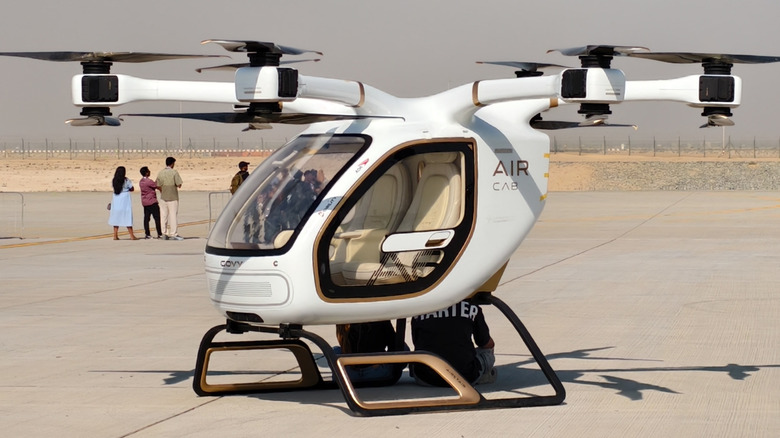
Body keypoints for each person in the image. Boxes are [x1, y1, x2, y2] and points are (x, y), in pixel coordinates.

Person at [410, 299, 496, 387]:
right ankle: (481, 376)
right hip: (465, 376)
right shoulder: (471, 306)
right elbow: (485, 343)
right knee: (487, 353)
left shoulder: (420, 309)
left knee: (409, 354)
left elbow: (416, 342)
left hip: (426, 378)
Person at [334, 321, 405, 387]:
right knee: (403, 346)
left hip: (347, 375)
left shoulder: (344, 321)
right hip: (378, 373)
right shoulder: (379, 317)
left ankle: (343, 370)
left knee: (336, 350)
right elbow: (392, 343)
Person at [155, 156, 183, 240]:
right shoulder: (174, 172)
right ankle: (173, 233)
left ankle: (164, 233)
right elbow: (179, 184)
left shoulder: (161, 173)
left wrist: (162, 190)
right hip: (173, 196)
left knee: (163, 215)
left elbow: (157, 185)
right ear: (172, 164)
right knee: (173, 215)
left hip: (163, 196)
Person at [108, 166, 138, 240]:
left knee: (116, 217)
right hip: (125, 200)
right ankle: (131, 235)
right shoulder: (126, 180)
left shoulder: (114, 180)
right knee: (127, 217)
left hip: (116, 199)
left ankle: (115, 235)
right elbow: (132, 188)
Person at [139, 166, 163, 239]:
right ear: (146, 173)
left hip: (145, 202)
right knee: (157, 218)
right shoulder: (149, 181)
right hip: (152, 201)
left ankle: (147, 234)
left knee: (146, 218)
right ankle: (159, 233)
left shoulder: (141, 181)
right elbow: (156, 186)